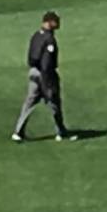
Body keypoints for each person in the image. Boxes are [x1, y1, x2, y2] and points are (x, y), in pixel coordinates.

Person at [12, 11, 73, 142]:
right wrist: (48, 82)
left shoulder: (36, 35)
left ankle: (18, 132)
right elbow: (46, 63)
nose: (58, 24)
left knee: (29, 102)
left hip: (33, 72)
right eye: (56, 21)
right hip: (44, 74)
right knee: (54, 102)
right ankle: (61, 132)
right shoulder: (49, 39)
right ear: (49, 22)